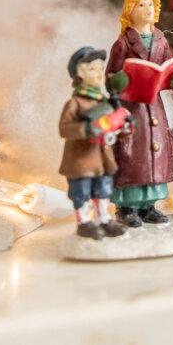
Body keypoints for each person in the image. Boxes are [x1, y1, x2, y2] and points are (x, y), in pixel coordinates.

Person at [107, 0, 173, 228]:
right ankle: (127, 207)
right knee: (133, 154)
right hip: (132, 107)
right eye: (141, 5)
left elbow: (167, 69)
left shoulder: (161, 40)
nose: (147, 10)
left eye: (151, 5)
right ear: (130, 11)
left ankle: (149, 206)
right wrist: (118, 81)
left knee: (155, 154)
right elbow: (111, 76)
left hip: (154, 105)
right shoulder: (123, 43)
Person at [59, 46, 128, 239]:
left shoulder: (104, 102)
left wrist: (123, 127)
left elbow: (112, 126)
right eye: (92, 69)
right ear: (79, 75)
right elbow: (64, 128)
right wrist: (87, 129)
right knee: (81, 191)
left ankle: (103, 219)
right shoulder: (75, 103)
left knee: (103, 189)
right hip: (81, 161)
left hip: (102, 158)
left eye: (100, 68)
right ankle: (83, 221)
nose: (99, 73)